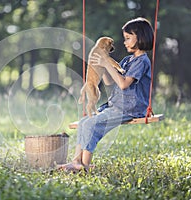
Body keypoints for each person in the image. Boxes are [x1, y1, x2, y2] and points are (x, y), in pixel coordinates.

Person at [58, 17, 154, 172]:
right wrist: (100, 67)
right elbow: (110, 82)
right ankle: (76, 160)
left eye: (128, 38)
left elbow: (123, 84)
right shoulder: (127, 60)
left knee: (91, 125)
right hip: (115, 105)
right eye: (125, 38)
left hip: (129, 108)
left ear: (141, 38)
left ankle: (84, 166)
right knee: (84, 122)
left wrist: (106, 63)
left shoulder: (142, 62)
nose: (124, 42)